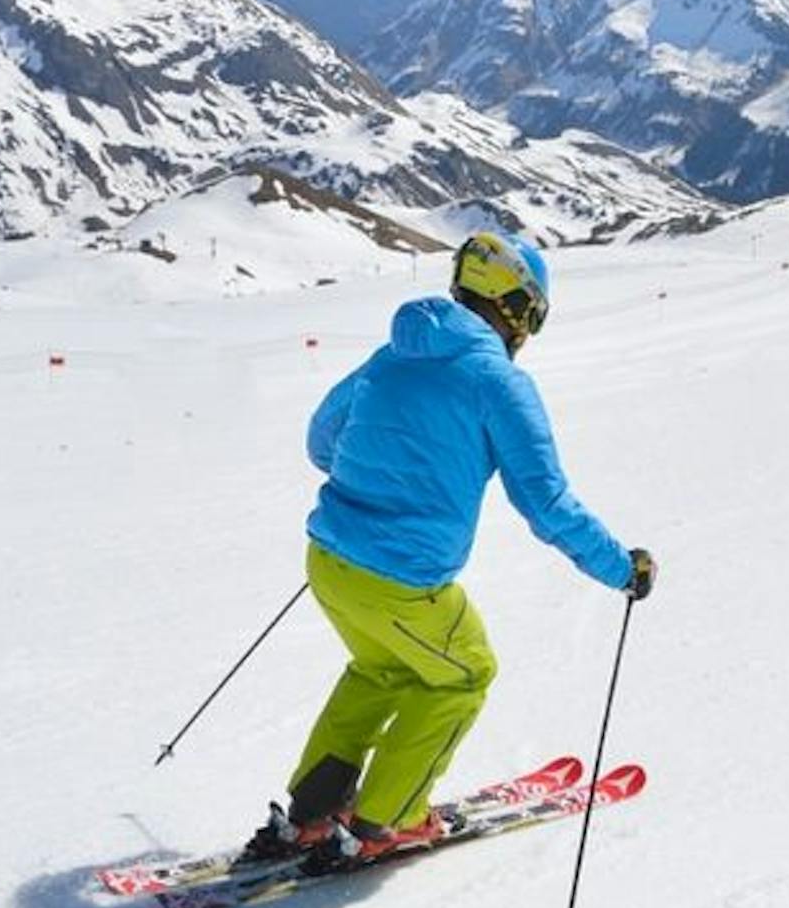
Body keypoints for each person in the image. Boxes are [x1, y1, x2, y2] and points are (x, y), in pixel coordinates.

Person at [239, 230, 653, 873]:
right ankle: (388, 819)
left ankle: (312, 814)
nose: (529, 333)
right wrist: (622, 568)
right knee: (464, 673)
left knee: (385, 671)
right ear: (514, 306)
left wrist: (379, 474)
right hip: (403, 580)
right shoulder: (497, 382)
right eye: (532, 316)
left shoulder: (391, 355)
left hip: (329, 562)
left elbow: (323, 442)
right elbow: (546, 505)